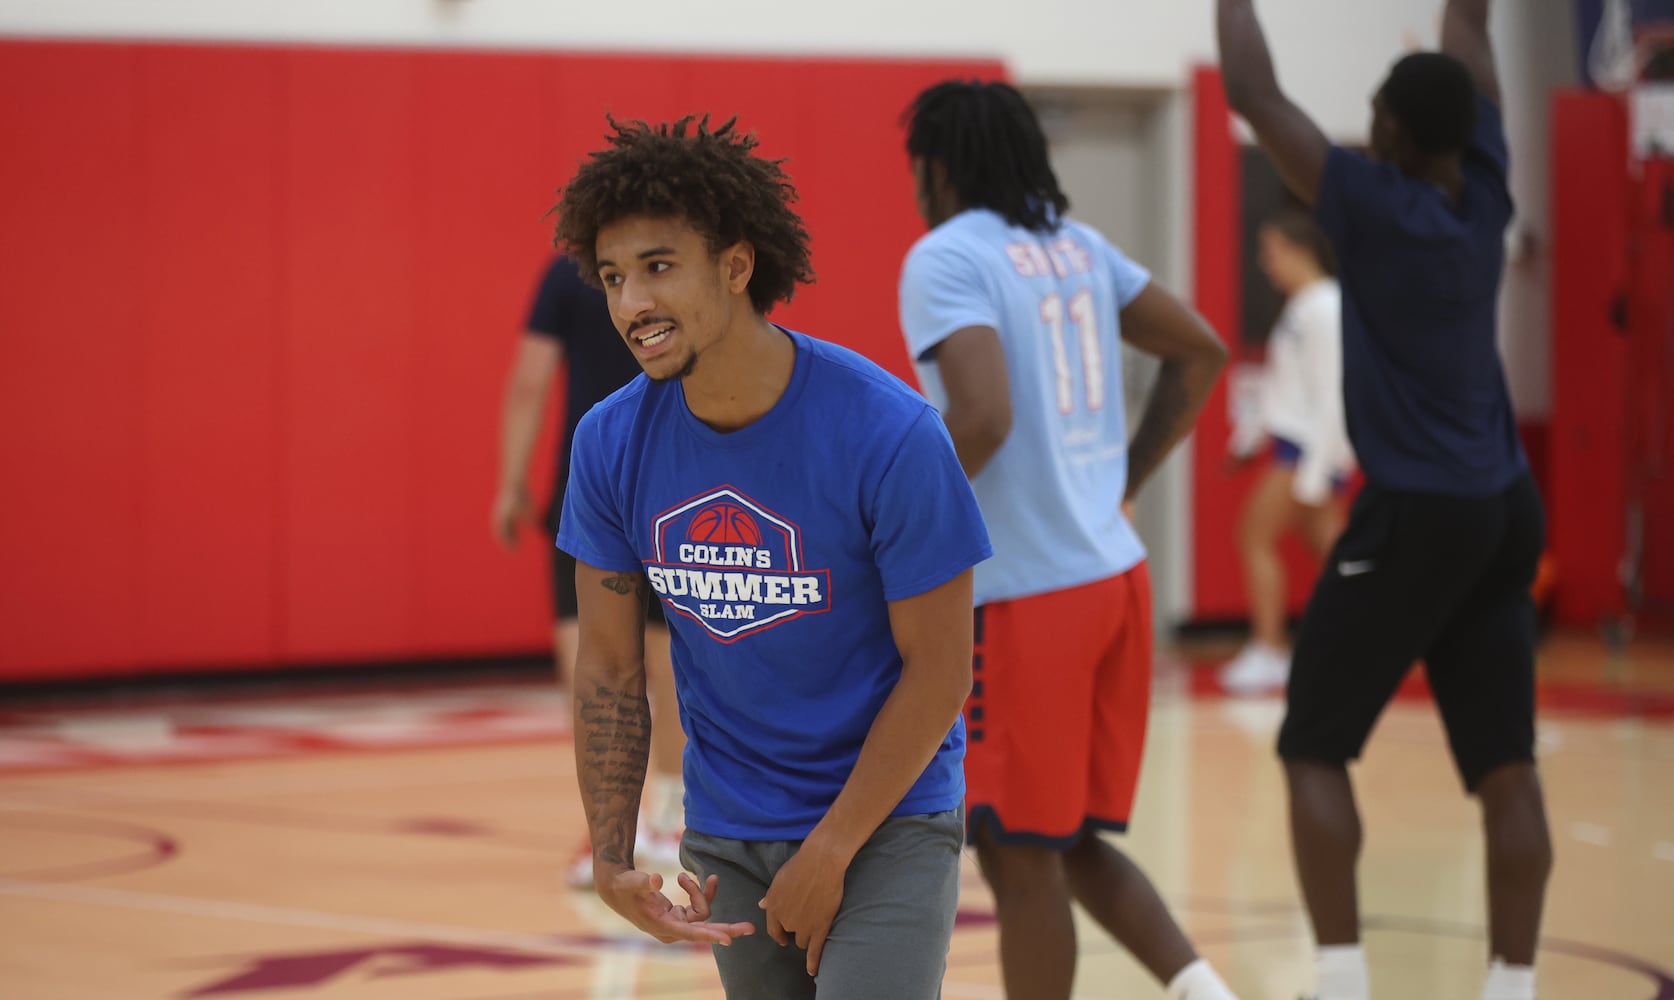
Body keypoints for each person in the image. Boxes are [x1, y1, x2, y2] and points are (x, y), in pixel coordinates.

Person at [551, 114, 993, 1000]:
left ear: (737, 266)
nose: (632, 302)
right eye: (613, 277)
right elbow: (606, 667)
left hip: (886, 821)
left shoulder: (889, 432)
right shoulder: (608, 443)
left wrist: (831, 850)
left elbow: (941, 672)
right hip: (730, 833)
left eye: (659, 267)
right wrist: (612, 855)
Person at [1217, 2, 1552, 998]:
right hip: (1505, 508)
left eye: (1375, 110)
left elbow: (1250, 94)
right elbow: (1474, 56)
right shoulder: (1487, 185)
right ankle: (1513, 984)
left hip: (1414, 513)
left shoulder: (1368, 202)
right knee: (1506, 765)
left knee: (1313, 746)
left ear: (1397, 137)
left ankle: (1341, 975)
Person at [899, 80, 1236, 1000]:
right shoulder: (1077, 247)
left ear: (935, 167)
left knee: (1018, 852)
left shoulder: (945, 256)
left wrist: (889, 529)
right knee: (1068, 841)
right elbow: (1202, 348)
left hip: (1028, 594)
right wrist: (1116, 484)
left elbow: (984, 416)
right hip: (1115, 578)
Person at [491, 255, 686, 886]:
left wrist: (511, 483)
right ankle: (676, 820)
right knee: (669, 663)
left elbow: (530, 381)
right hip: (674, 483)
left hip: (587, 491)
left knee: (590, 666)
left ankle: (611, 834)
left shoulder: (566, 273)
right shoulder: (683, 267)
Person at [1220, 211, 1354, 695]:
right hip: (1299, 447)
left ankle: (1270, 648)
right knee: (1334, 554)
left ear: (1300, 250)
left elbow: (1335, 393)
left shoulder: (1326, 307)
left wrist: (1320, 469)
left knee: (1254, 535)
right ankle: (1354, 648)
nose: (1265, 263)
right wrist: (1248, 440)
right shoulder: (1303, 307)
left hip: (1308, 452)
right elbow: (1284, 389)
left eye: (1271, 251)